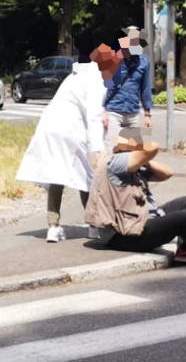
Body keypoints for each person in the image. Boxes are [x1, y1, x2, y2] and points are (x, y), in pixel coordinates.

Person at [16, 38, 119, 242]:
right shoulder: (96, 80)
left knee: (57, 176)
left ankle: (53, 227)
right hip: (71, 131)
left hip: (50, 126)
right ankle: (93, 225)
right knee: (87, 177)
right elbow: (93, 116)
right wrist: (97, 150)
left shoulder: (77, 75)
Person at [85, 129, 186, 263]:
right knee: (182, 219)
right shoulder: (115, 163)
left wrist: (145, 161)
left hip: (138, 222)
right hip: (123, 236)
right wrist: (141, 153)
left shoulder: (134, 167)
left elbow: (168, 173)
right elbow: (153, 147)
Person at [103, 26, 153, 151]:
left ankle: (131, 171)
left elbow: (145, 88)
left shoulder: (143, 61)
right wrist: (102, 111)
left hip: (133, 113)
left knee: (134, 152)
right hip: (113, 111)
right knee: (112, 151)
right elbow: (103, 86)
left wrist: (147, 114)